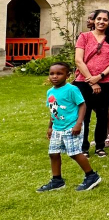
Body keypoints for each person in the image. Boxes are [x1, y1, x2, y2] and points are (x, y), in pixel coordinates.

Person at [36, 62, 102, 192]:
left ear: (68, 75)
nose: (55, 76)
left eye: (59, 73)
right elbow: (53, 110)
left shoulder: (72, 89)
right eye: (52, 74)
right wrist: (50, 127)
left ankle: (91, 176)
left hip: (71, 127)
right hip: (57, 128)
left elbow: (82, 105)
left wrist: (78, 124)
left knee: (74, 153)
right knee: (53, 153)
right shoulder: (50, 92)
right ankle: (57, 180)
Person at [74, 9, 109, 158]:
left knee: (102, 113)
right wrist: (92, 80)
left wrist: (99, 76)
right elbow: (78, 60)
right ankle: (84, 147)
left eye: (105, 20)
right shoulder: (84, 36)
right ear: (93, 21)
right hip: (84, 81)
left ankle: (100, 146)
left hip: (106, 81)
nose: (101, 22)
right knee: (84, 114)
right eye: (98, 19)